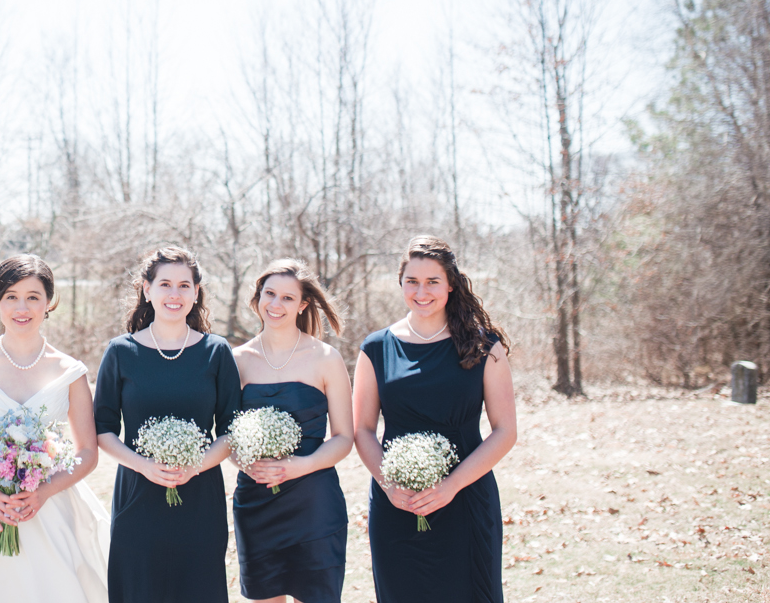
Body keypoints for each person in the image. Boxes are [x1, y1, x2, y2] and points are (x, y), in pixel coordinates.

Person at [0, 254, 109, 603]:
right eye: (11, 296)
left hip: (51, 506)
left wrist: (44, 492)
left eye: (33, 296)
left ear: (49, 303)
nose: (22, 306)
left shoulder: (71, 371)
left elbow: (88, 452)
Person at [352, 235, 517, 603]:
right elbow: (362, 429)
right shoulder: (376, 348)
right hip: (398, 503)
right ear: (401, 283)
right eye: (412, 281)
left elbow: (505, 431)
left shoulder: (483, 346)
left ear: (451, 285)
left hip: (466, 497)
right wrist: (389, 485)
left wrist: (451, 486)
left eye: (432, 282)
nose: (421, 291)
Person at [93, 246, 241, 603]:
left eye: (184, 286)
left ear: (195, 292)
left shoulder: (216, 352)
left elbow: (232, 429)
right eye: (165, 284)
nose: (174, 294)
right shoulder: (120, 352)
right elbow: (103, 429)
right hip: (137, 497)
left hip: (200, 498)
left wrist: (195, 467)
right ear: (147, 289)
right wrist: (143, 465)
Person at [229, 259, 352, 603]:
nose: (275, 304)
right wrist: (245, 463)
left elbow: (344, 438)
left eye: (287, 297)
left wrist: (300, 466)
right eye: (269, 294)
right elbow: (226, 436)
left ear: (303, 304)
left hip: (314, 501)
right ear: (258, 298)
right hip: (256, 501)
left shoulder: (326, 358)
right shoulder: (237, 360)